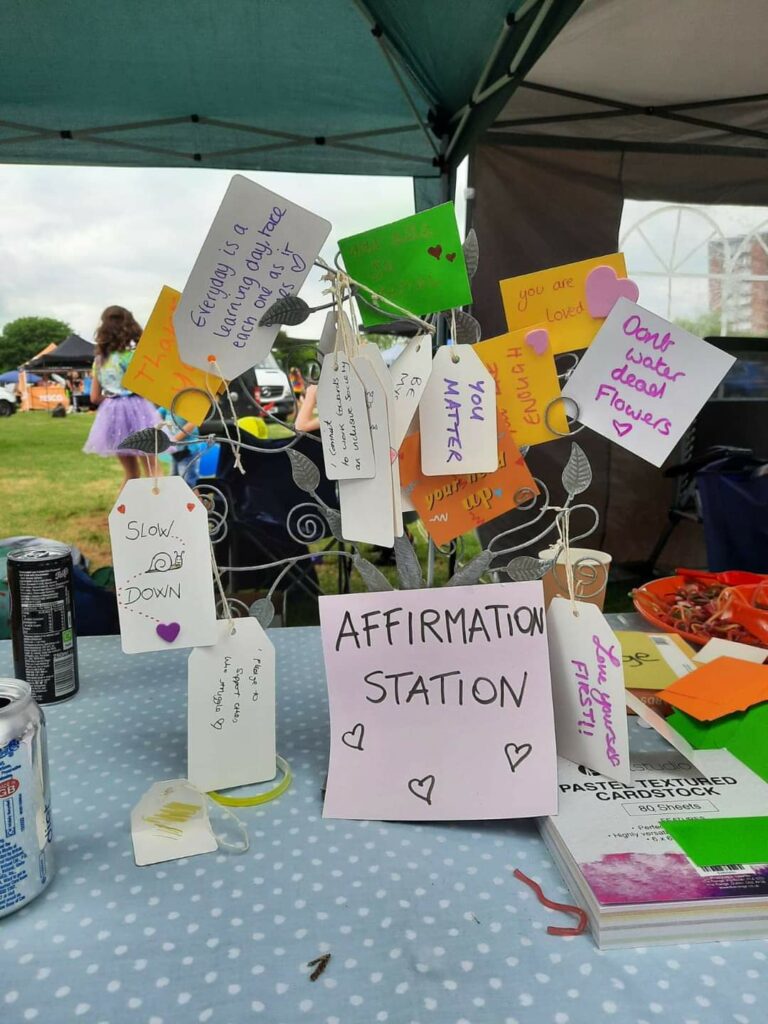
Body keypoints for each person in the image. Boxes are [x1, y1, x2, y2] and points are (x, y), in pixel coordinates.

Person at [83, 306, 161, 489]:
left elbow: (94, 397)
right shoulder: (134, 357)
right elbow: (143, 389)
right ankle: (160, 513)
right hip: (139, 412)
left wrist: (113, 400)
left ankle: (120, 515)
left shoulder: (100, 360)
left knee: (131, 474)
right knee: (153, 470)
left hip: (112, 414)